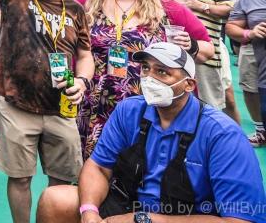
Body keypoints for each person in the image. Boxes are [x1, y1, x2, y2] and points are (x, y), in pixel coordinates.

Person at [36, 42, 266, 223]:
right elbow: (99, 166)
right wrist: (89, 212)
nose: (149, 78)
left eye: (162, 72)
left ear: (189, 85)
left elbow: (240, 219)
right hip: (128, 206)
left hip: (185, 216)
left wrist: (145, 219)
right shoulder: (129, 110)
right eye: (146, 68)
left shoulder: (222, 134)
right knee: (55, 199)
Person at [0, 0, 94, 223]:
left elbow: (85, 54)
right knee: (20, 177)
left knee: (61, 181)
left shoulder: (74, 9)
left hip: (62, 106)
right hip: (17, 103)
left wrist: (83, 80)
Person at [71, 0, 214, 159]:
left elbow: (208, 49)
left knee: (144, 161)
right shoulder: (87, 1)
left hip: (148, 102)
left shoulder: (165, 5)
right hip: (96, 101)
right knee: (96, 162)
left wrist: (190, 45)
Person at [151, 0, 235, 111]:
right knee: (165, 108)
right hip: (163, 57)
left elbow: (232, 10)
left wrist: (201, 6)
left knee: (207, 110)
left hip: (203, 57)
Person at [226, 0, 266, 149]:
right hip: (255, 53)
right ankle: (260, 129)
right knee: (252, 90)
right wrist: (250, 32)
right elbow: (230, 28)